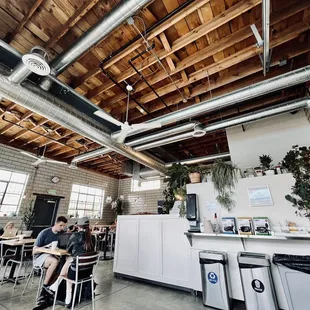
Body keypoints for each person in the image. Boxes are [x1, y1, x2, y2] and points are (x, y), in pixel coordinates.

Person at [50, 217, 96, 307]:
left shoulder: (75, 236)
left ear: (78, 226)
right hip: (88, 272)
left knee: (70, 261)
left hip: (76, 273)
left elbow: (68, 250)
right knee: (71, 261)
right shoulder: (93, 237)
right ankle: (56, 283)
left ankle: (67, 301)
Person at [33, 216, 68, 295]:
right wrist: (47, 247)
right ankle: (45, 286)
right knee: (54, 261)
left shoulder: (62, 234)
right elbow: (34, 251)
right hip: (40, 257)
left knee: (66, 261)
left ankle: (55, 285)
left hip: (54, 255)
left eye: (64, 226)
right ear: (55, 224)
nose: (62, 228)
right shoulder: (44, 233)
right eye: (61, 225)